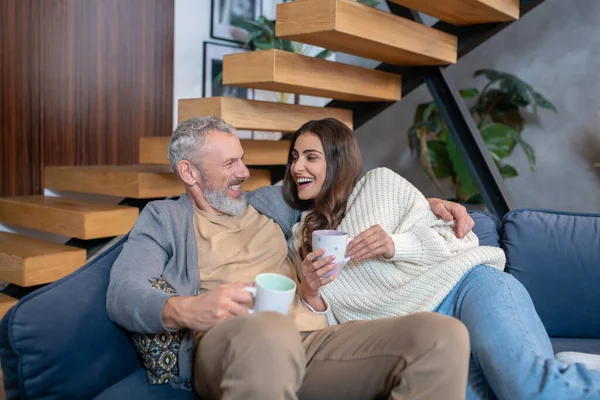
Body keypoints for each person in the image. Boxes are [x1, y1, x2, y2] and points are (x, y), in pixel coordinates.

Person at [106, 116, 473, 400]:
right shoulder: (164, 219)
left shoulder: (270, 203)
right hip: (230, 344)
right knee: (270, 328)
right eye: (230, 164)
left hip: (312, 341)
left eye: (243, 160)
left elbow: (341, 189)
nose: (244, 173)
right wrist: (187, 309)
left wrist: (428, 205)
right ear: (189, 171)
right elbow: (124, 292)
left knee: (440, 336)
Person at [282, 117, 600, 400]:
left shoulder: (379, 184)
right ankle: (568, 369)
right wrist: (310, 293)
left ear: (339, 161)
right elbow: (335, 327)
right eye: (294, 158)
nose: (297, 167)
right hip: (423, 338)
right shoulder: (300, 239)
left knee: (529, 388)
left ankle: (558, 375)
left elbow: (459, 239)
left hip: (466, 288)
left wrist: (395, 245)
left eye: (311, 157)